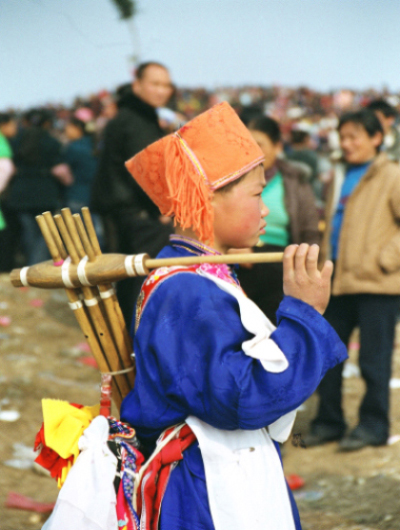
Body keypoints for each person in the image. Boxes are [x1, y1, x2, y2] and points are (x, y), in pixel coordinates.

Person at [120, 102, 348, 529]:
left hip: (222, 470)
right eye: (258, 194)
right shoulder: (185, 288)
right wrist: (304, 315)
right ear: (208, 198)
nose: (265, 210)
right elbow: (240, 397)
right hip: (205, 487)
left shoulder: (197, 273)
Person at [306, 109, 400, 451]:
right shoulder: (339, 174)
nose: (346, 144)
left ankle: (373, 427)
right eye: (342, 137)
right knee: (327, 357)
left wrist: (384, 259)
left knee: (374, 361)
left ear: (377, 138)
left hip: (377, 285)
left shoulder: (391, 175)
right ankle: (329, 422)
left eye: (354, 136)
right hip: (338, 281)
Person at [91, 61, 174, 326]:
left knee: (129, 275)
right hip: (132, 211)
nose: (162, 90)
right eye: (155, 83)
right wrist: (160, 209)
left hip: (124, 208)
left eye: (166, 85)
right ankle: (137, 336)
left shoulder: (136, 115)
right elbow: (145, 171)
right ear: (137, 85)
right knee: (139, 275)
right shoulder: (135, 120)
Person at [237, 115, 320, 324]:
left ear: (277, 146)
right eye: (245, 144)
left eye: (259, 145)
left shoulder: (295, 180)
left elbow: (309, 231)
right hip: (237, 260)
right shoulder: (229, 182)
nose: (251, 152)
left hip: (280, 263)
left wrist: (305, 268)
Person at [5, 109, 72, 265]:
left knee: (29, 232)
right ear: (47, 123)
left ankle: (32, 264)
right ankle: (39, 263)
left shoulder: (15, 142)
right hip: (46, 191)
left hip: (20, 192)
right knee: (46, 232)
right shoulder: (52, 142)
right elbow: (60, 170)